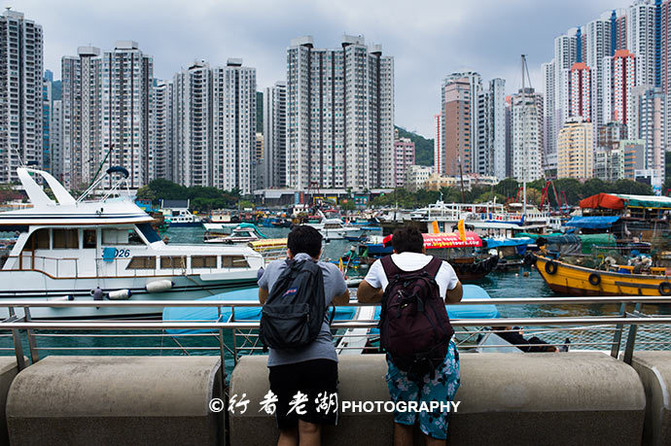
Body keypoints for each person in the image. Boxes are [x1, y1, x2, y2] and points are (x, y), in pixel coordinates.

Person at [357, 226, 463, 446]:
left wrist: (386, 292)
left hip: (400, 354)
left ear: (394, 249)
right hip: (439, 355)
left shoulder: (382, 265)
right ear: (423, 248)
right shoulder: (442, 266)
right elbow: (457, 295)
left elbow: (363, 296)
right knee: (435, 427)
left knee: (403, 421)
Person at [258, 225, 350, 446]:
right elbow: (344, 300)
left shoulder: (273, 268)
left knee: (287, 430)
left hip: (281, 359)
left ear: (288, 251)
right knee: (310, 427)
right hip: (320, 358)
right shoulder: (330, 271)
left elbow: (264, 300)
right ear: (319, 253)